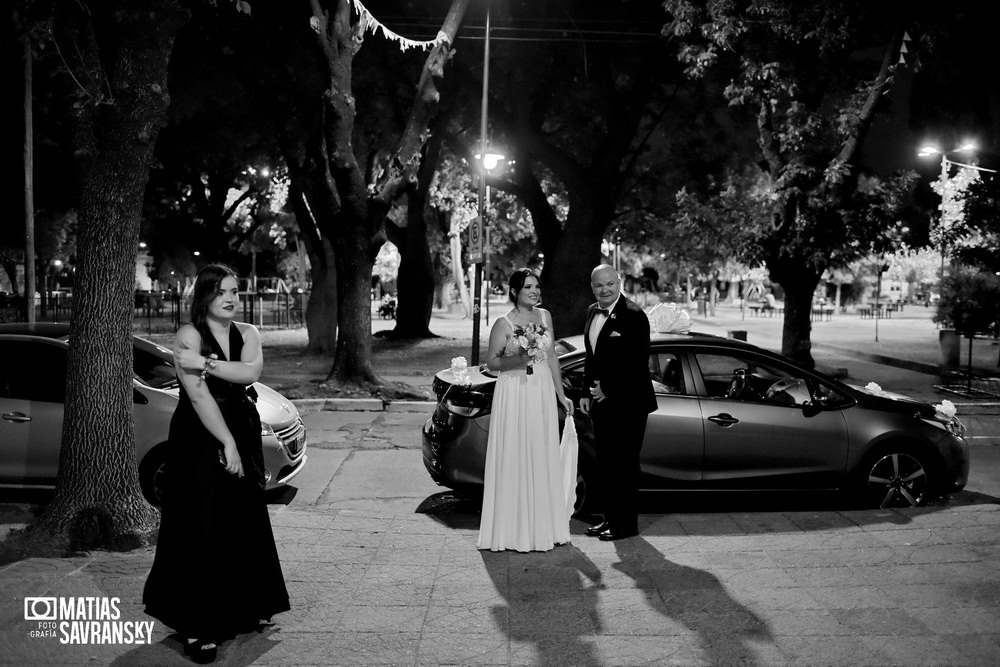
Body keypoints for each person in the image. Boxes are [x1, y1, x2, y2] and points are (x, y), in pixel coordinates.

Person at [143, 264, 289, 663]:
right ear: (204, 296)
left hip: (241, 425)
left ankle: (245, 605)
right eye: (221, 291)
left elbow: (250, 373)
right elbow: (200, 398)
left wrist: (204, 364)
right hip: (200, 434)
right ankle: (196, 625)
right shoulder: (188, 334)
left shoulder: (248, 332)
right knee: (201, 522)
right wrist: (226, 443)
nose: (231, 298)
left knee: (243, 517)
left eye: (235, 290)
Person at [476, 268, 575, 552]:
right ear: (514, 292)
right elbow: (492, 363)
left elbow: (552, 356)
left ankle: (543, 528)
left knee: (540, 452)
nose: (535, 291)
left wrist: (561, 395)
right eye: (529, 287)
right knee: (516, 451)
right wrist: (519, 358)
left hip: (541, 391)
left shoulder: (545, 317)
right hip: (514, 392)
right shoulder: (503, 323)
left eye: (537, 287)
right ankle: (511, 529)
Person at [579, 264, 656, 541]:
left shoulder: (634, 316)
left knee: (625, 466)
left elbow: (636, 363)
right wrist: (586, 392)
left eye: (610, 283)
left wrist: (607, 389)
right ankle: (610, 519)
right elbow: (591, 356)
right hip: (600, 402)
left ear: (619, 282)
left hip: (629, 403)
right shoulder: (592, 311)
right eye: (599, 285)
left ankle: (625, 526)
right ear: (592, 287)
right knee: (608, 465)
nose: (605, 289)